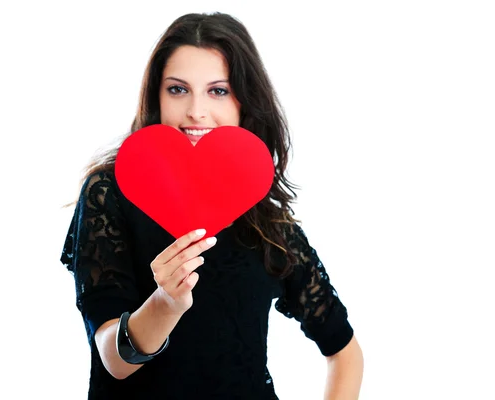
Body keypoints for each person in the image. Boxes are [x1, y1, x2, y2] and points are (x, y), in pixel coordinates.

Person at [60, 12, 363, 399]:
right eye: (178, 90)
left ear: (244, 102)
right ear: (157, 96)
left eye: (217, 90)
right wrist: (167, 302)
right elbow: (113, 360)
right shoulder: (110, 192)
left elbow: (345, 352)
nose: (196, 111)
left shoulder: (266, 219)